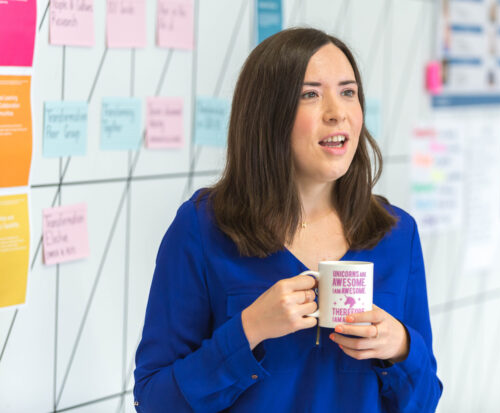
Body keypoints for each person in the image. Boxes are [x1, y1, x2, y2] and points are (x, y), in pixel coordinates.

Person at [133, 27, 442, 412]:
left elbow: (424, 400)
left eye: (348, 92)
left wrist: (399, 348)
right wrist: (248, 331)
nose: (337, 112)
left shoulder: (397, 234)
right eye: (310, 94)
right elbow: (154, 400)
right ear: (267, 115)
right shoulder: (202, 228)